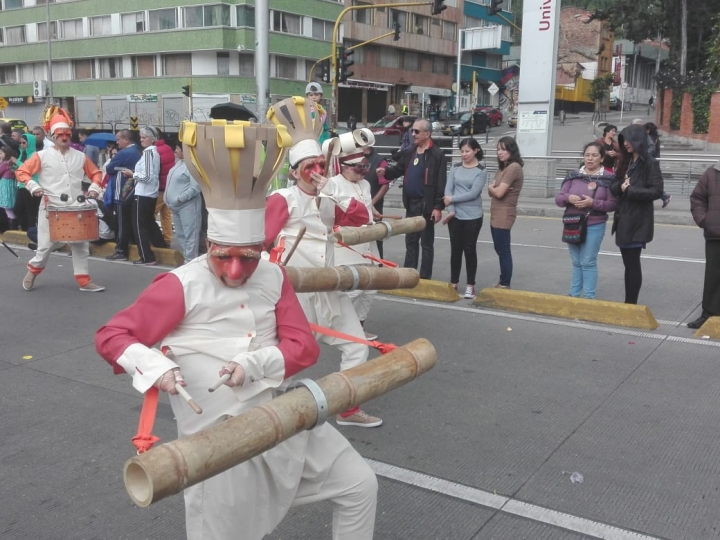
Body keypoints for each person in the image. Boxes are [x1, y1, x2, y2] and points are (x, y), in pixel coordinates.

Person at [95, 120, 378, 540]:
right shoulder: (182, 283)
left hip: (284, 419)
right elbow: (112, 336)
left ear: (260, 249)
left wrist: (255, 363)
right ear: (210, 245)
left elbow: (304, 348)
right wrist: (155, 366)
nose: (234, 270)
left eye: (247, 258)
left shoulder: (273, 276)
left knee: (359, 485)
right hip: (217, 443)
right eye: (223, 256)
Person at [266, 97, 382, 427]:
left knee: (358, 347)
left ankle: (348, 408)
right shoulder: (283, 199)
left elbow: (362, 217)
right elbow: (260, 242)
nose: (316, 172)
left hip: (329, 289)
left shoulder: (330, 193)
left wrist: (332, 188)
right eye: (309, 167)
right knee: (297, 356)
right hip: (297, 294)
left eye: (320, 164)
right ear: (294, 172)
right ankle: (271, 409)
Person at [16, 109, 105, 292]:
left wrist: (95, 189)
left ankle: (84, 281)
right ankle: (33, 270)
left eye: (67, 134)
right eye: (60, 134)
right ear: (53, 135)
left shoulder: (80, 156)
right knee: (45, 247)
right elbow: (21, 172)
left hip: (76, 206)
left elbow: (96, 173)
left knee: (81, 245)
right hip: (51, 207)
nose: (64, 137)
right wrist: (34, 187)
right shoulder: (42, 156)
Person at [377, 118, 447, 279]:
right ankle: (409, 274)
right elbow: (399, 169)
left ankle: (424, 277)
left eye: (416, 131)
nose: (413, 134)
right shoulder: (411, 151)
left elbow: (440, 183)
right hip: (411, 204)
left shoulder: (437, 155)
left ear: (427, 134)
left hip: (426, 206)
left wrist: (437, 207)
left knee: (426, 243)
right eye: (412, 131)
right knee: (411, 241)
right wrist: (386, 172)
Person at [331, 131, 382, 340]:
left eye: (366, 167)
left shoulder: (366, 184)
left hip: (368, 242)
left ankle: (358, 327)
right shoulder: (332, 184)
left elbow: (367, 210)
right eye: (359, 168)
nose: (364, 172)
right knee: (352, 290)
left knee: (371, 288)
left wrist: (373, 214)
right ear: (345, 167)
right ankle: (342, 328)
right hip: (346, 243)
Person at [555, 142, 617, 299]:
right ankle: (574, 294)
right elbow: (559, 199)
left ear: (602, 158)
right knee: (576, 261)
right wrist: (569, 197)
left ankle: (589, 297)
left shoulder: (609, 179)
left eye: (594, 155)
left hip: (595, 224)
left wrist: (593, 203)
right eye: (587, 155)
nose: (590, 159)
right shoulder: (573, 176)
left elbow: (613, 204)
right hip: (573, 222)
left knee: (588, 261)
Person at [610, 123, 664, 305]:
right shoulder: (625, 162)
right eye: (623, 139)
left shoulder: (650, 162)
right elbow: (614, 185)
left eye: (629, 139)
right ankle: (629, 302)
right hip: (623, 218)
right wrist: (620, 188)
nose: (625, 143)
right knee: (628, 263)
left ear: (639, 140)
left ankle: (630, 303)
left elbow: (656, 191)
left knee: (632, 264)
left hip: (638, 220)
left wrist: (630, 190)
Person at [442, 138, 487, 299]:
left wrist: (452, 200)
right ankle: (454, 282)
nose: (464, 154)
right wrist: (451, 210)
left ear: (475, 151)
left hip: (472, 216)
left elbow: (473, 194)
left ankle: (470, 285)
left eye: (467, 151)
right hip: (455, 216)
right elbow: (448, 189)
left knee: (469, 249)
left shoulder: (481, 170)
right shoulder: (455, 168)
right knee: (455, 250)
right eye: (462, 151)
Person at [124, 125, 167, 266]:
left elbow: (147, 176)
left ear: (152, 139)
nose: (141, 140)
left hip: (144, 194)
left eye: (144, 137)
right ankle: (160, 246)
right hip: (149, 194)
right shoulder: (152, 153)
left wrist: (133, 174)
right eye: (141, 137)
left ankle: (147, 257)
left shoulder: (149, 154)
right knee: (149, 222)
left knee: (139, 225)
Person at [488, 136, 524, 289]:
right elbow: (493, 190)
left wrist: (493, 189)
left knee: (503, 250)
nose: (500, 153)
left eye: (503, 149)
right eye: (498, 149)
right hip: (496, 213)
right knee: (499, 247)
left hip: (504, 214)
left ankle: (505, 282)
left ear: (511, 150)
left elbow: (499, 192)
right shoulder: (503, 168)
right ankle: (504, 280)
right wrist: (493, 189)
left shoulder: (513, 167)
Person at [687, 161, 720, 329]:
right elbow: (697, 198)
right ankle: (708, 314)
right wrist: (705, 221)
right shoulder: (712, 173)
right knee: (713, 278)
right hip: (716, 235)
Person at [105, 130, 142, 261]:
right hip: (135, 191)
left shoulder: (124, 153)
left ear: (126, 140)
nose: (117, 142)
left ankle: (121, 250)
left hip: (122, 192)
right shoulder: (138, 151)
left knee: (121, 223)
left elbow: (109, 168)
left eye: (118, 140)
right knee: (131, 222)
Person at [164, 143, 202, 264]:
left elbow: (196, 186)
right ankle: (188, 260)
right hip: (175, 207)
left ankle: (191, 262)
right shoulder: (179, 163)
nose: (175, 150)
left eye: (178, 148)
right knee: (181, 235)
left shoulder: (193, 165)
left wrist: (181, 198)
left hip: (187, 206)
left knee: (191, 235)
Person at [362, 145, 390, 257]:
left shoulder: (380, 160)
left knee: (377, 239)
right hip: (360, 207)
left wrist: (371, 204)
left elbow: (385, 186)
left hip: (374, 207)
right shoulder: (356, 158)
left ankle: (379, 265)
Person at [12, 134, 41, 233]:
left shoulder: (34, 155)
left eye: (24, 142)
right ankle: (25, 229)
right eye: (20, 143)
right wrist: (14, 166)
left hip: (31, 185)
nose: (22, 145)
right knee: (18, 209)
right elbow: (20, 169)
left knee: (31, 211)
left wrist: (17, 162)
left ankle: (31, 231)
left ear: (30, 143)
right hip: (21, 185)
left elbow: (29, 169)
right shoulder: (22, 153)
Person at [644, 122, 671, 208]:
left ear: (648, 130)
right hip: (654, 161)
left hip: (649, 162)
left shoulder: (649, 138)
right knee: (650, 182)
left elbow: (650, 150)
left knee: (648, 182)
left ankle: (664, 196)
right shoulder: (656, 138)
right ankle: (664, 196)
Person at [155, 133, 175, 246]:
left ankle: (152, 238)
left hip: (159, 188)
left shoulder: (155, 151)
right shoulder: (168, 148)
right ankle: (167, 238)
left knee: (150, 215)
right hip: (168, 187)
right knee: (166, 215)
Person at [0, 145, 18, 229]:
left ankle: (11, 226)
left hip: (5, 186)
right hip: (9, 185)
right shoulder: (10, 163)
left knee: (6, 207)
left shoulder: (4, 163)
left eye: (1, 153)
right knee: (8, 208)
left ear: (6, 154)